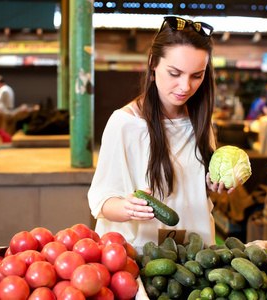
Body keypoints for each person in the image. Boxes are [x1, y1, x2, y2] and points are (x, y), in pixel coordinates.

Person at [88, 16, 234, 249]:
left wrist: (212, 183)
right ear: (153, 64)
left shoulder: (200, 121)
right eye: (175, 73)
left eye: (197, 75)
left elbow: (191, 188)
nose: (186, 86)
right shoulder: (125, 123)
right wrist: (127, 208)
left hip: (195, 253)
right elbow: (101, 201)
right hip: (141, 256)